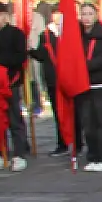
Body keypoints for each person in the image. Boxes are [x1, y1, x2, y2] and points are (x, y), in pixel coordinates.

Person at [0, 1, 31, 170]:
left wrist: (0, 60)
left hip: (10, 81)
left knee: (14, 118)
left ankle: (19, 154)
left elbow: (21, 57)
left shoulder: (15, 34)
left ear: (6, 16)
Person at [76, 3, 102, 172]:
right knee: (88, 123)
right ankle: (92, 156)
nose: (86, 17)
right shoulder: (77, 36)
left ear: (95, 16)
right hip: (84, 85)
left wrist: (84, 66)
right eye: (83, 14)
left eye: (89, 14)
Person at [32, 10, 68, 156]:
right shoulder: (46, 35)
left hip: (69, 79)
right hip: (53, 80)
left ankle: (78, 143)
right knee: (58, 113)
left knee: (75, 113)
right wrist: (31, 50)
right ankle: (62, 143)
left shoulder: (72, 31)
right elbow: (41, 55)